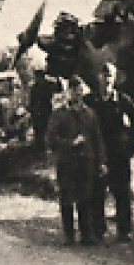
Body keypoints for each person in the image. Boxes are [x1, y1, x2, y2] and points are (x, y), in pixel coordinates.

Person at [87, 62, 134, 242]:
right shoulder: (91, 100)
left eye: (110, 76)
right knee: (97, 192)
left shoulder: (121, 100)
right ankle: (99, 230)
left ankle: (124, 230)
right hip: (97, 152)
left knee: (122, 192)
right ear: (99, 78)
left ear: (115, 78)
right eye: (104, 76)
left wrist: (131, 141)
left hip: (118, 152)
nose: (107, 79)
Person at [46, 77, 106, 245]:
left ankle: (87, 234)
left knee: (85, 198)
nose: (77, 95)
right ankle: (69, 235)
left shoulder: (90, 114)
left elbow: (98, 139)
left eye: (80, 91)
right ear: (68, 92)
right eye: (74, 91)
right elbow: (51, 139)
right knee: (66, 199)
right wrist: (69, 143)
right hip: (66, 162)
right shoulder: (59, 114)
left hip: (86, 162)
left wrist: (101, 162)